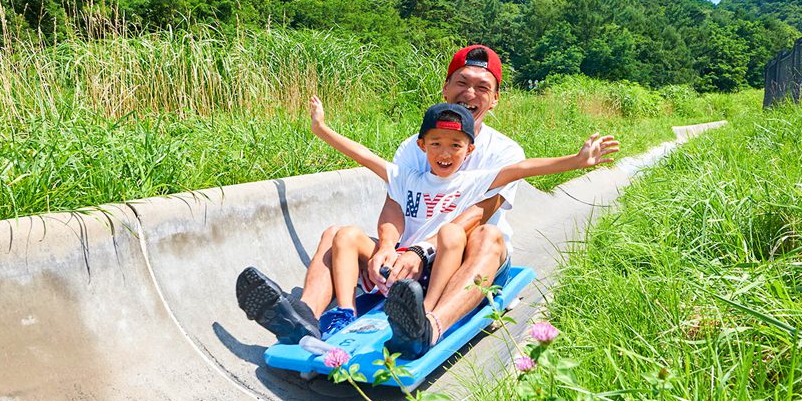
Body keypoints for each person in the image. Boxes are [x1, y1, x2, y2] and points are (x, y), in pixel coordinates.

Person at [236, 45, 585, 353]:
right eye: (461, 82)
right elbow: (395, 201)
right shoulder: (414, 145)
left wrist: (422, 251)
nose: (469, 93)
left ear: (494, 100)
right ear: (446, 88)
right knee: (335, 235)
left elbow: (479, 214)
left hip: (465, 259)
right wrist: (389, 245)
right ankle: (303, 320)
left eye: (482, 87)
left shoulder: (503, 152)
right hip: (409, 255)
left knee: (485, 236)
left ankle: (429, 325)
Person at [304, 94, 618, 350]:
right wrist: (322, 130)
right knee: (345, 234)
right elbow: (363, 155)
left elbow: (523, 168)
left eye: (455, 145)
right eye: (436, 143)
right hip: (399, 267)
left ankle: (424, 315)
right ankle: (345, 312)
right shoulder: (406, 175)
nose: (445, 152)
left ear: (469, 150)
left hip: (439, 271)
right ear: (422, 145)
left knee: (453, 232)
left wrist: (576, 161)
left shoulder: (474, 181)